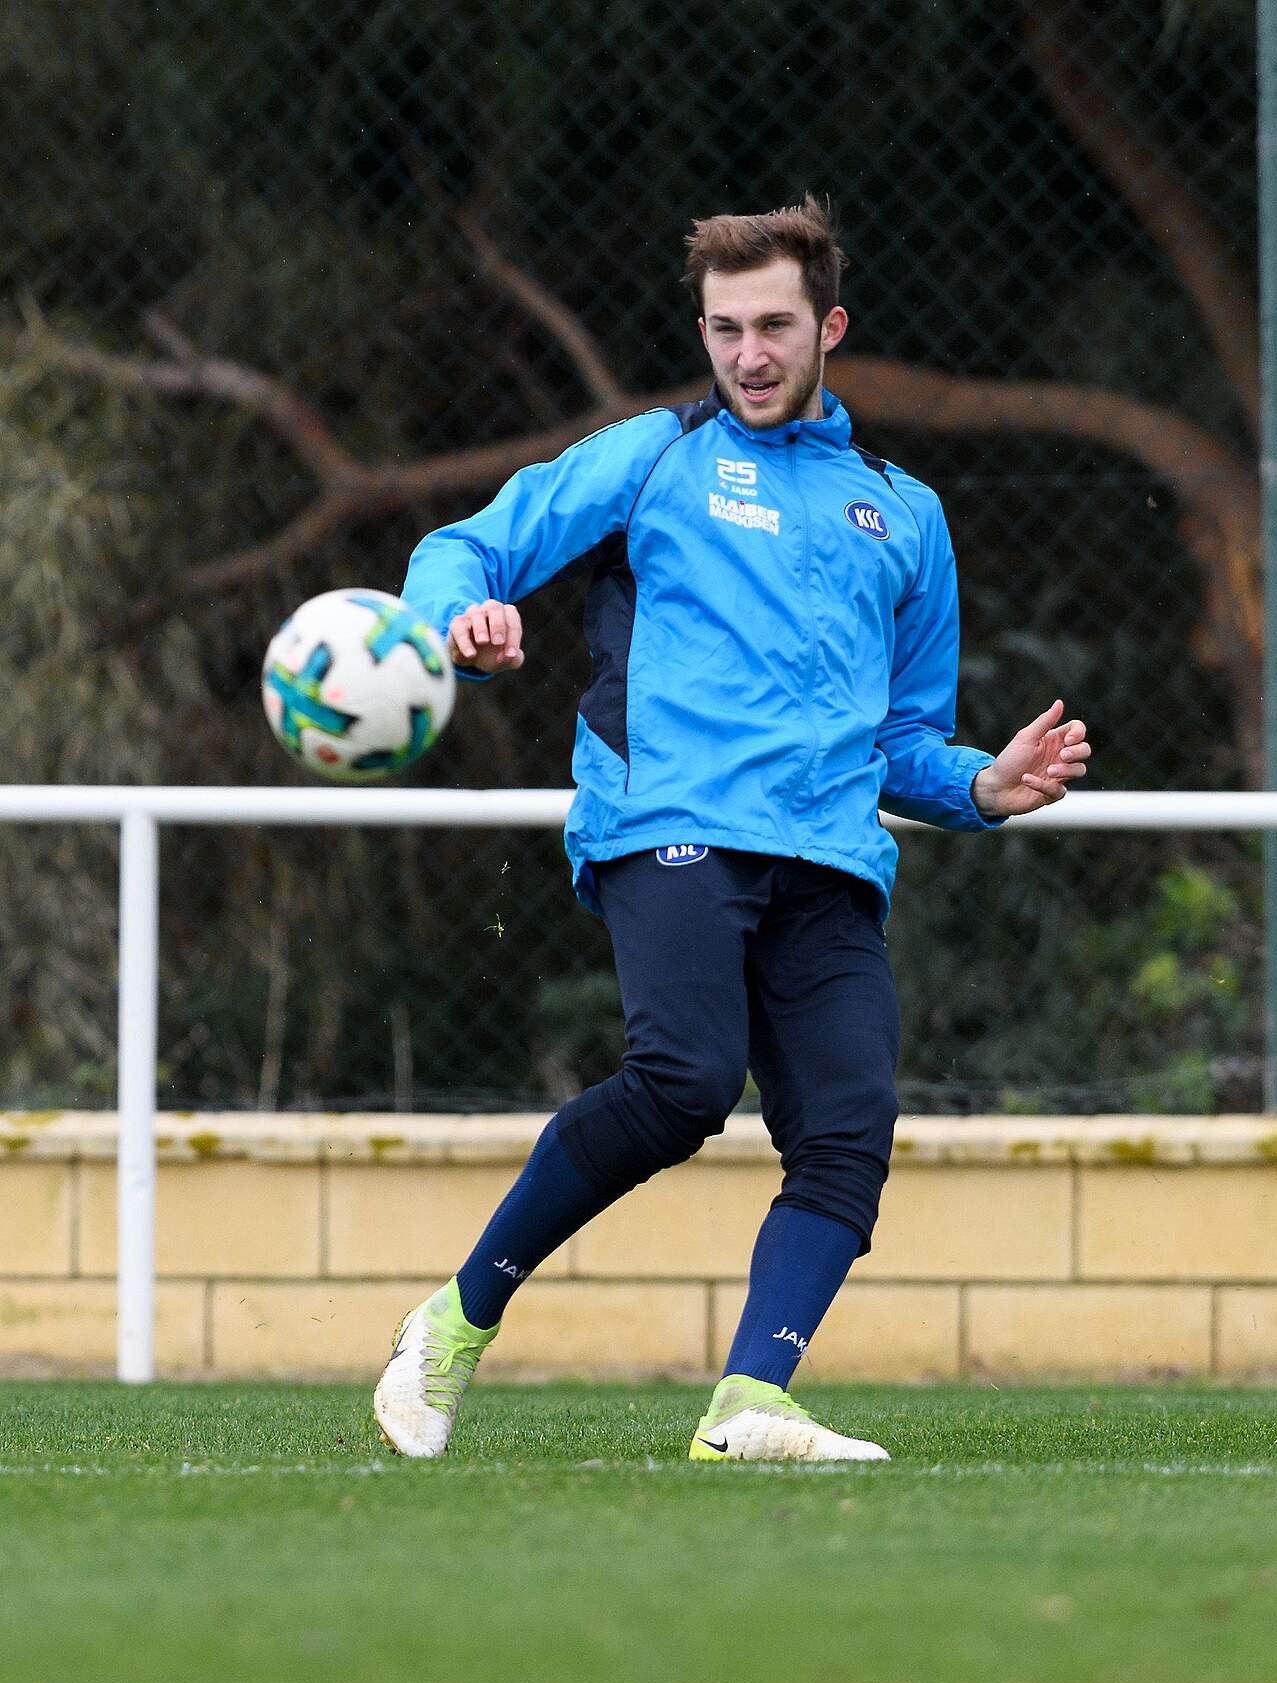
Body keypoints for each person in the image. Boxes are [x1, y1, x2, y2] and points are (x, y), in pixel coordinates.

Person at [375, 196, 1092, 1462]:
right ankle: (453, 1318)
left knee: (847, 1134)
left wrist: (982, 786)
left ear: (829, 328)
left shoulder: (904, 512)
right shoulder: (652, 457)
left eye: (772, 327)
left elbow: (903, 740)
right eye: (723, 329)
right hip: (670, 821)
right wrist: (459, 624)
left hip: (830, 857)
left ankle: (748, 1400)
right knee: (684, 1082)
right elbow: (467, 546)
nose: (747, 355)